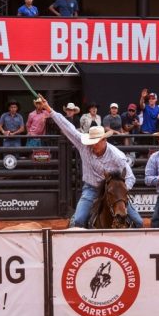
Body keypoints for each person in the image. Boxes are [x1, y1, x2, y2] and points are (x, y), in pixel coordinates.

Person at [37, 95, 143, 228]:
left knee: (138, 222)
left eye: (96, 142)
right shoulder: (83, 144)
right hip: (91, 188)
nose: (93, 145)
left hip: (114, 191)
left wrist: (120, 190)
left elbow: (130, 177)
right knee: (78, 221)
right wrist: (48, 109)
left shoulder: (117, 156)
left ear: (104, 140)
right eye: (91, 142)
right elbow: (67, 127)